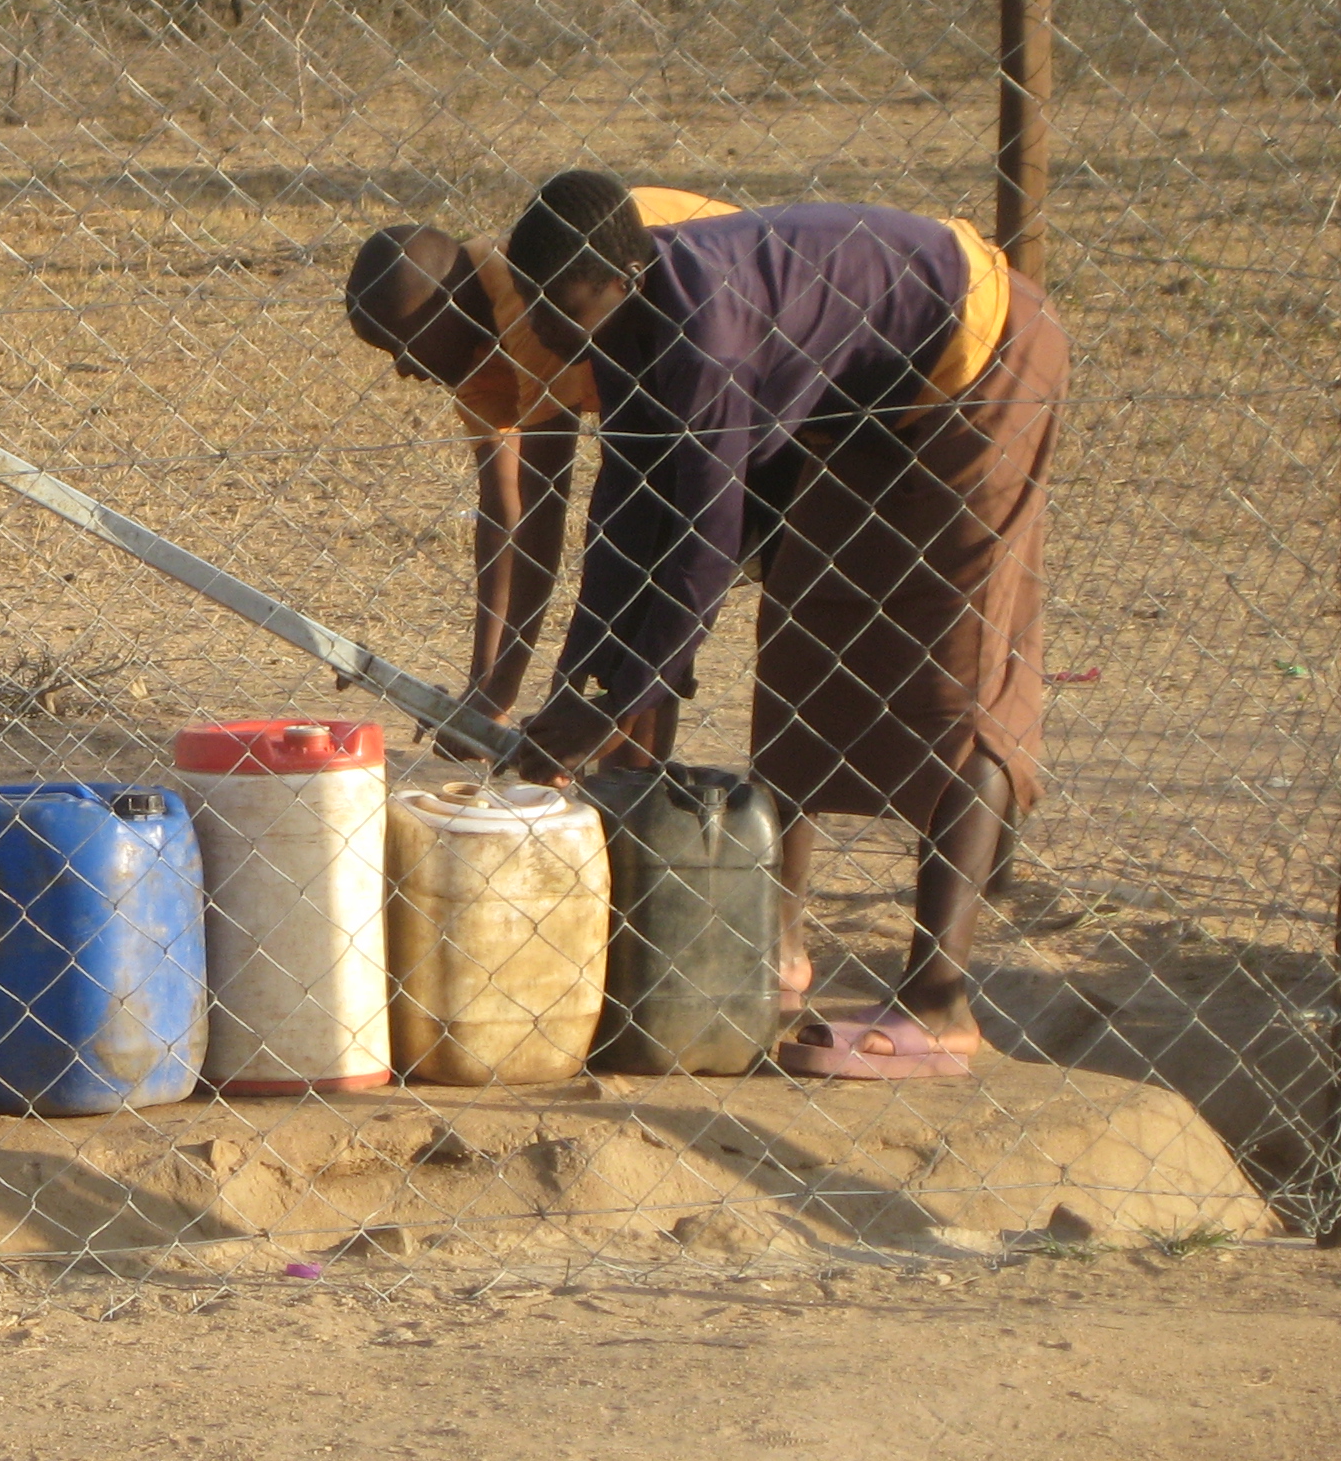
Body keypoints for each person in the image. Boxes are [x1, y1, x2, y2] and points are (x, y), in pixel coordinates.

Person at [497, 171, 1068, 1078]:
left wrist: (621, 704)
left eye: (565, 308)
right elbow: (626, 512)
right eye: (536, 307)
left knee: (956, 671)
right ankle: (777, 954)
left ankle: (939, 1001)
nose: (548, 332)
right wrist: (582, 682)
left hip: (979, 362)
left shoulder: (707, 335)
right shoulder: (618, 325)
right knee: (809, 651)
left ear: (624, 274)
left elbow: (703, 545)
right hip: (864, 402)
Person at [343, 179, 736, 757]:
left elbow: (543, 505)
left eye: (405, 344)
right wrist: (484, 694)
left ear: (446, 306)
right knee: (643, 549)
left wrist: (495, 695)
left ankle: (632, 775)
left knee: (654, 552)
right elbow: (503, 513)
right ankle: (626, 769)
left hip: (735, 326)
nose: (403, 369)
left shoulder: (531, 302)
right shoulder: (472, 351)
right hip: (672, 376)